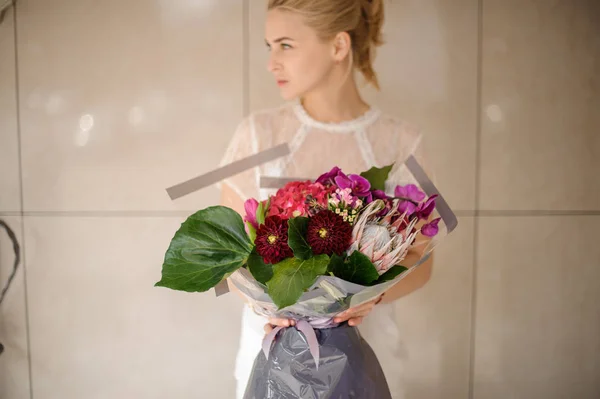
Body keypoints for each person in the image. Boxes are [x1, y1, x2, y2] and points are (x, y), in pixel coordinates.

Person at [218, 1, 435, 397]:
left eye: (285, 45)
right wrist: (266, 307)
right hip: (271, 346)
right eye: (269, 46)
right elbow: (229, 257)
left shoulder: (400, 141)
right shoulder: (257, 135)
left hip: (367, 349)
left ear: (338, 46)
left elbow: (423, 260)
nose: (272, 63)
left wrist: (373, 297)